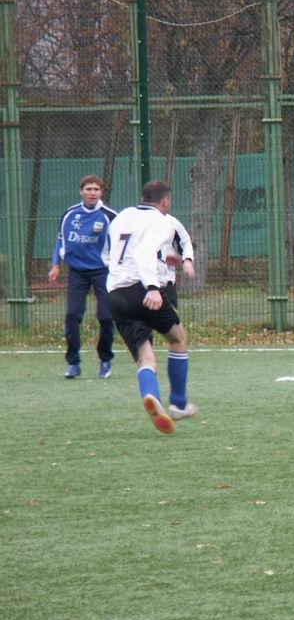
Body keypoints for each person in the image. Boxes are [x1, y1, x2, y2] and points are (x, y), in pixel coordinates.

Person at [105, 180, 198, 434]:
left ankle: (151, 395)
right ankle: (178, 403)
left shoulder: (123, 216)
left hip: (115, 294)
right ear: (165, 201)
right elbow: (143, 253)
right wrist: (153, 287)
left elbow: (117, 252)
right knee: (178, 338)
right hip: (141, 289)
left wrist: (164, 259)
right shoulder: (160, 221)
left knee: (145, 357)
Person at [49, 175, 118, 379]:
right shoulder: (70, 214)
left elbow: (122, 243)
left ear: (101, 192)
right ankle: (73, 364)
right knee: (72, 316)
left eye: (96, 189)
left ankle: (105, 360)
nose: (92, 193)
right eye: (88, 189)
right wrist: (55, 265)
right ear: (81, 191)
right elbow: (60, 241)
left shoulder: (110, 216)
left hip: (103, 271)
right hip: (77, 273)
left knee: (106, 317)